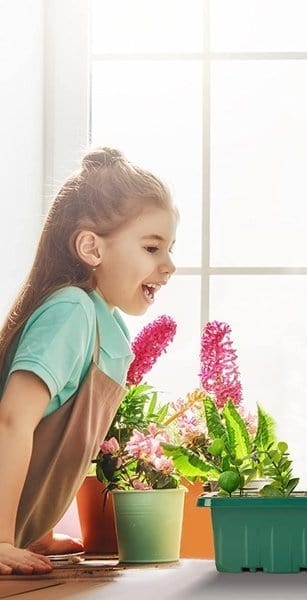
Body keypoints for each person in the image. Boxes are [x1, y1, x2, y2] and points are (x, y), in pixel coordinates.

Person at [0, 147, 177, 574]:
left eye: (170, 248)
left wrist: (33, 527)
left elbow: (56, 439)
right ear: (91, 248)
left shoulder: (106, 327)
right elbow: (12, 420)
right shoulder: (71, 311)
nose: (169, 265)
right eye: (152, 247)